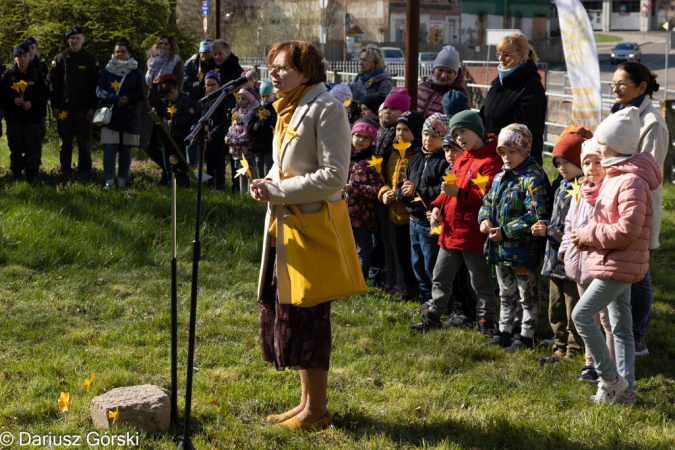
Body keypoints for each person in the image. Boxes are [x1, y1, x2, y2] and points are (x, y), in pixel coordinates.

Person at [250, 40, 352, 431]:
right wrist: (267, 183)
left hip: (312, 229)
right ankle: (307, 402)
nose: (273, 74)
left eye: (281, 68)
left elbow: (333, 176)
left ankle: (318, 410)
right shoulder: (289, 107)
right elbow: (288, 166)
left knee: (309, 317)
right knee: (292, 313)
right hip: (285, 227)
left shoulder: (326, 108)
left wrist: (278, 190)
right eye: (271, 67)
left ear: (306, 73)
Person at [571, 107, 661, 405]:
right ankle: (628, 393)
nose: (598, 145)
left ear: (615, 145)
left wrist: (587, 235)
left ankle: (610, 379)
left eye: (602, 141)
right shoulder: (617, 174)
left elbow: (627, 229)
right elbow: (611, 207)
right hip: (614, 261)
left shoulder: (631, 180)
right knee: (621, 328)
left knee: (582, 315)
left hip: (619, 264)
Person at [410, 110, 501, 332]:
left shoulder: (490, 161)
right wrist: (435, 207)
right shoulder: (462, 160)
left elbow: (486, 199)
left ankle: (485, 321)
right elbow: (445, 192)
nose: (459, 138)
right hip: (450, 231)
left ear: (477, 130)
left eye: (463, 132)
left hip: (472, 234)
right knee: (440, 276)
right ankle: (434, 316)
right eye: (455, 134)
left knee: (479, 281)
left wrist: (457, 192)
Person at [609, 62, 669, 357]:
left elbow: (649, 170)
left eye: (621, 83)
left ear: (641, 87)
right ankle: (624, 332)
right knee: (627, 269)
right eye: (613, 84)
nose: (615, 89)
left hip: (638, 205)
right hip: (615, 200)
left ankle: (638, 339)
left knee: (639, 272)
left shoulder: (652, 123)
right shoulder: (620, 112)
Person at [479, 124, 549, 351]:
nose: (506, 157)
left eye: (512, 151)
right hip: (499, 249)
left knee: (526, 293)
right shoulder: (500, 177)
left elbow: (537, 215)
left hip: (521, 250)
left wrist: (506, 231)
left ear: (525, 150)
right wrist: (485, 219)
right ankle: (504, 330)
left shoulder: (533, 178)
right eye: (502, 152)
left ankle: (526, 334)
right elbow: (488, 202)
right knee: (505, 292)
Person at [559, 140, 615, 383]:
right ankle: (590, 364)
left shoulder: (611, 191)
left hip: (603, 265)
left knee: (608, 319)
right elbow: (569, 224)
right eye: (586, 162)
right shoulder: (579, 192)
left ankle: (611, 365)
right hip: (580, 264)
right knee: (588, 317)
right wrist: (565, 250)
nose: (592, 167)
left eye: (597, 161)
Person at [532, 134, 585, 361]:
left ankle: (574, 347)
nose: (562, 168)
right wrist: (546, 224)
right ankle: (559, 342)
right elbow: (557, 219)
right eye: (558, 164)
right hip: (554, 257)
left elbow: (579, 230)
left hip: (572, 259)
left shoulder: (586, 189)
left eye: (567, 162)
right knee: (555, 305)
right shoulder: (560, 184)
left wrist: (550, 232)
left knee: (573, 304)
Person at [397, 113, 450, 307]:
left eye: (434, 136)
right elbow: (402, 184)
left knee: (431, 264)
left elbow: (442, 190)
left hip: (430, 222)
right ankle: (424, 296)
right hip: (414, 220)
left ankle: (437, 301)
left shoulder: (444, 162)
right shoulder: (415, 159)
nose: (428, 139)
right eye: (426, 134)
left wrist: (417, 191)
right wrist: (402, 192)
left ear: (444, 139)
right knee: (417, 263)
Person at [479, 33, 547, 165]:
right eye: (499, 53)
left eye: (507, 54)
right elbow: (484, 115)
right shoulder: (497, 83)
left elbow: (523, 129)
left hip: (519, 163)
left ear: (521, 56)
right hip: (493, 158)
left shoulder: (531, 86)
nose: (501, 59)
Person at [377, 109, 422, 298]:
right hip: (393, 212)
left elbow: (416, 184)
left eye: (405, 130)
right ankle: (397, 284)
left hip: (410, 214)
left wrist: (396, 194)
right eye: (398, 129)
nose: (400, 134)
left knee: (411, 256)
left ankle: (410, 287)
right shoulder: (393, 152)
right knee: (396, 250)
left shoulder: (418, 155)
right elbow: (385, 179)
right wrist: (384, 193)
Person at [369, 88, 410, 289]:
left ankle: (400, 281)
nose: (387, 112)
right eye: (386, 108)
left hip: (394, 193)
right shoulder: (380, 132)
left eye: (394, 109)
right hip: (381, 190)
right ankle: (390, 278)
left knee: (396, 242)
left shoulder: (399, 137)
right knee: (385, 239)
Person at [49, 26, 99, 178]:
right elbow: (54, 85)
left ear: (83, 39)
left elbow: (95, 85)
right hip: (64, 108)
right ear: (68, 40)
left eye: (78, 38)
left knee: (84, 143)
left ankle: (84, 172)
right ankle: (65, 171)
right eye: (72, 38)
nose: (74, 41)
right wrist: (55, 106)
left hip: (84, 109)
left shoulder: (90, 59)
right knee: (65, 142)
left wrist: (93, 107)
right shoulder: (60, 59)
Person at [96, 37, 145, 190]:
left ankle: (122, 181)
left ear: (129, 53)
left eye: (123, 52)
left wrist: (128, 99)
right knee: (110, 150)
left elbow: (142, 92)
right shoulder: (106, 72)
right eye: (117, 52)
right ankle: (109, 181)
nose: (120, 54)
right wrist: (116, 99)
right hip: (111, 116)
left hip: (130, 116)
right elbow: (99, 91)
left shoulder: (136, 72)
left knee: (126, 151)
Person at [0, 43, 49, 181]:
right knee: (15, 148)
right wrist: (13, 100)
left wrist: (32, 103)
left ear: (29, 56)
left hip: (32, 119)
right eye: (19, 57)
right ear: (15, 58)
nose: (22, 59)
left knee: (32, 148)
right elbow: (2, 95)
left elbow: (45, 94)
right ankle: (16, 174)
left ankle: (32, 174)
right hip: (14, 119)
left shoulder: (37, 74)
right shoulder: (8, 76)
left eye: (25, 56)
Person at [142, 34, 184, 182]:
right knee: (147, 144)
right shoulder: (151, 61)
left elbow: (178, 85)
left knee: (166, 143)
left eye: (166, 44)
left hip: (166, 106)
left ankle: (169, 175)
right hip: (150, 106)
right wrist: (147, 101)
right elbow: (145, 83)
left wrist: (163, 101)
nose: (163, 46)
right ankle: (167, 169)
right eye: (161, 43)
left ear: (172, 47)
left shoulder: (176, 62)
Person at [345, 120, 384, 279]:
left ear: (372, 140)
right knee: (347, 248)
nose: (360, 140)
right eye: (357, 136)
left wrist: (354, 189)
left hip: (364, 215)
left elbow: (377, 189)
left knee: (362, 250)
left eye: (365, 137)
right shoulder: (346, 157)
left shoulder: (373, 162)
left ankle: (360, 281)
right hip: (345, 212)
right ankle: (347, 279)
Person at [159, 73, 198, 185]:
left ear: (176, 88)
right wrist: (166, 123)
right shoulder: (166, 103)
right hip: (169, 137)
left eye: (171, 93)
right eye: (167, 96)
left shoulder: (185, 100)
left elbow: (189, 118)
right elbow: (164, 116)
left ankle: (183, 182)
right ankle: (170, 180)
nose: (171, 97)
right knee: (169, 161)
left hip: (181, 137)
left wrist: (175, 122)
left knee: (180, 161)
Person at [417, 45, 470, 119]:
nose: (443, 75)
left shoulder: (460, 96)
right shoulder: (421, 89)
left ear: (455, 74)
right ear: (434, 69)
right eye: (440, 70)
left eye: (449, 72)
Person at [198, 70, 229, 190]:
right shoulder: (203, 101)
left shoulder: (223, 100)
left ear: (219, 85)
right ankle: (210, 185)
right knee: (208, 162)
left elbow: (223, 121)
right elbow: (200, 117)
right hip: (205, 137)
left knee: (219, 162)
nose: (210, 88)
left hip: (218, 137)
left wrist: (212, 134)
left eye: (213, 84)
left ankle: (220, 186)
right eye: (208, 84)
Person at [225, 88, 259, 195]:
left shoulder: (252, 113)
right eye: (239, 98)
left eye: (243, 99)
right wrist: (228, 136)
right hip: (237, 150)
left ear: (250, 100)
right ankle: (243, 194)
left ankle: (253, 193)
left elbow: (247, 132)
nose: (240, 101)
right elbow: (233, 127)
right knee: (241, 172)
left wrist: (235, 140)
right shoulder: (237, 112)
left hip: (246, 150)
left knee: (250, 171)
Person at [247, 80, 277, 180]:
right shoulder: (257, 109)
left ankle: (268, 190)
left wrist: (271, 116)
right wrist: (253, 127)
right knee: (259, 169)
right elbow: (249, 126)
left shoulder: (275, 108)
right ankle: (260, 189)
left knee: (267, 169)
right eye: (263, 96)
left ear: (273, 95)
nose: (265, 98)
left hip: (269, 146)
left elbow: (278, 123)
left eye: (268, 96)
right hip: (258, 146)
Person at [23, 37, 49, 141]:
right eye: (27, 48)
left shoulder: (42, 67)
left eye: (33, 47)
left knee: (37, 142)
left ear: (36, 49)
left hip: (38, 110)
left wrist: (33, 102)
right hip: (21, 110)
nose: (30, 50)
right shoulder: (17, 67)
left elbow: (47, 90)